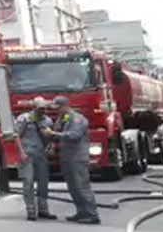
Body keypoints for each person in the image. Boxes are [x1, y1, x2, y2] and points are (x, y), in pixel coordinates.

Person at [54, 96, 101, 224]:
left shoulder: (77, 118)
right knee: (73, 187)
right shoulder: (65, 117)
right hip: (67, 157)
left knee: (82, 186)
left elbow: (74, 135)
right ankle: (81, 211)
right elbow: (58, 128)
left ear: (64, 106)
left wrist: (55, 135)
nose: (56, 111)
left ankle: (92, 214)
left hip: (77, 158)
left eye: (58, 108)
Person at [14, 98, 56, 222]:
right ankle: (31, 210)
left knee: (43, 182)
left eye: (44, 108)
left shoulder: (47, 121)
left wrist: (51, 146)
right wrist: (21, 152)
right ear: (34, 108)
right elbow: (16, 135)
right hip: (27, 154)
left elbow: (50, 137)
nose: (43, 111)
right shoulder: (24, 119)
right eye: (40, 108)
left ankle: (43, 209)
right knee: (28, 181)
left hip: (41, 154)